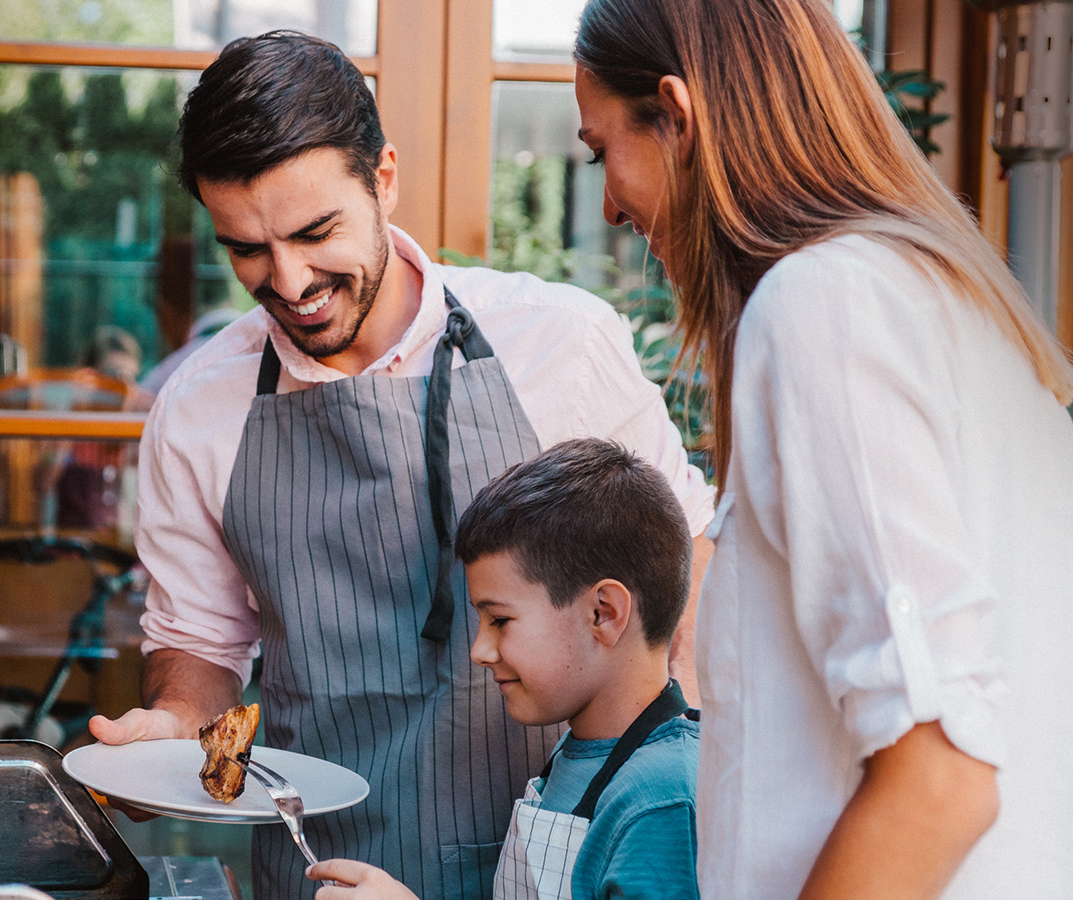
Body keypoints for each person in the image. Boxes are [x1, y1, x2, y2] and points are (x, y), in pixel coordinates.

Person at [89, 31, 715, 900]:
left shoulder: (558, 344)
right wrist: (174, 726)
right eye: (247, 249)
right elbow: (199, 642)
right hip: (320, 872)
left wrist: (658, 792)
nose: (291, 280)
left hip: (560, 858)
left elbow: (686, 561)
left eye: (316, 232)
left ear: (383, 179)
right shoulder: (199, 406)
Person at [569, 0, 1073, 897]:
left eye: (601, 148)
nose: (607, 202)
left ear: (678, 118)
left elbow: (942, 773)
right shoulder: (951, 306)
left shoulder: (822, 307)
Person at [307, 438, 700, 900]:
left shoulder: (662, 799)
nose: (479, 650)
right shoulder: (576, 754)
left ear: (604, 614)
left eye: (499, 620)